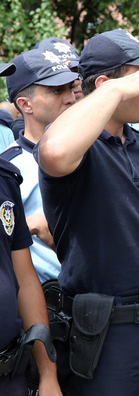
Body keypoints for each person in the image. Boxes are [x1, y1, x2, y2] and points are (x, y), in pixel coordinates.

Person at [34, 28, 139, 396]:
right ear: (106, 86)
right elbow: (54, 153)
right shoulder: (75, 147)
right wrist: (109, 92)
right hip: (109, 332)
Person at [0, 61, 65, 396]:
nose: (70, 97)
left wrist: (47, 372)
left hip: (14, 370)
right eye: (56, 90)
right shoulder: (13, 166)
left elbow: (24, 281)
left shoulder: (3, 179)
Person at [2, 47, 78, 283]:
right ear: (25, 105)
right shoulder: (8, 168)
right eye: (56, 91)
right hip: (47, 301)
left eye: (70, 87)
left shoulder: (96, 151)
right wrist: (27, 225)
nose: (71, 98)